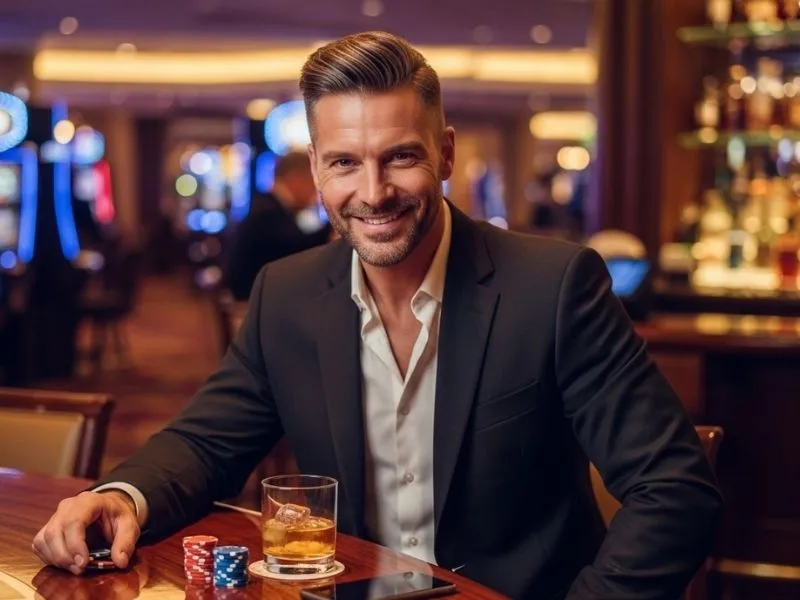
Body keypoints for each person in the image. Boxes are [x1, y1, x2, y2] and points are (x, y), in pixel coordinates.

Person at [32, 31, 722, 600]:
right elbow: (206, 444)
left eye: (401, 158)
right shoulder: (288, 294)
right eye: (344, 163)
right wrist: (122, 496)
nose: (373, 192)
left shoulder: (553, 286)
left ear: (446, 153)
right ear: (318, 168)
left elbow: (675, 489)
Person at [224, 150, 331, 300]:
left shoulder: (267, 204)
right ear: (296, 179)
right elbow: (298, 251)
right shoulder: (267, 213)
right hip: (254, 307)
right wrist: (334, 227)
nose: (316, 194)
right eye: (315, 183)